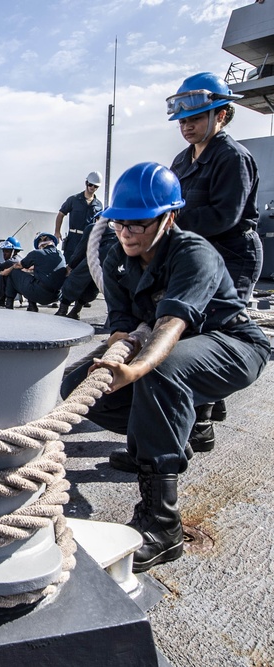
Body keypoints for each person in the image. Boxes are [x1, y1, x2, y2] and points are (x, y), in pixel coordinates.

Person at [60, 163, 269, 572]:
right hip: (174, 353)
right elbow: (122, 323)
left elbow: (171, 325)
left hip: (232, 345)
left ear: (168, 216)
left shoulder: (194, 252)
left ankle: (162, 526)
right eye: (120, 223)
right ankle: (167, 440)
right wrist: (113, 353)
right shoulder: (118, 256)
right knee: (77, 384)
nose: (127, 232)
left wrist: (133, 371)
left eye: (138, 223)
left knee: (158, 372)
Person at [166, 72, 264, 451]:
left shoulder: (232, 157)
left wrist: (169, 224)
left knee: (210, 335)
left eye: (195, 119)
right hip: (197, 254)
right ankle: (212, 401)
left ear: (221, 115)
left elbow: (224, 215)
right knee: (196, 329)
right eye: (183, 121)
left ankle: (200, 425)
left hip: (231, 255)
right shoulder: (181, 159)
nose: (187, 127)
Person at [54, 216, 119, 319]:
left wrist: (71, 266)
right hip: (116, 257)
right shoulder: (119, 228)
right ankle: (76, 310)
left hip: (100, 254)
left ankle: (63, 310)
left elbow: (81, 249)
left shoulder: (94, 227)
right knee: (95, 283)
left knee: (76, 279)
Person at [3, 232, 67, 311]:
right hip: (56, 296)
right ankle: (31, 306)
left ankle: (9, 305)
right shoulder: (60, 255)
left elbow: (19, 265)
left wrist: (8, 270)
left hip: (40, 295)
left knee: (13, 272)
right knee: (34, 279)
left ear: (40, 244)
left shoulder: (37, 253)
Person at [55, 172, 104, 263]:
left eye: (95, 186)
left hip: (88, 240)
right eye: (91, 184)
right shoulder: (74, 200)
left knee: (83, 266)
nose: (92, 188)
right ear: (86, 183)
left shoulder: (98, 205)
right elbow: (61, 214)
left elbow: (99, 223)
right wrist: (57, 232)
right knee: (67, 263)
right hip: (73, 239)